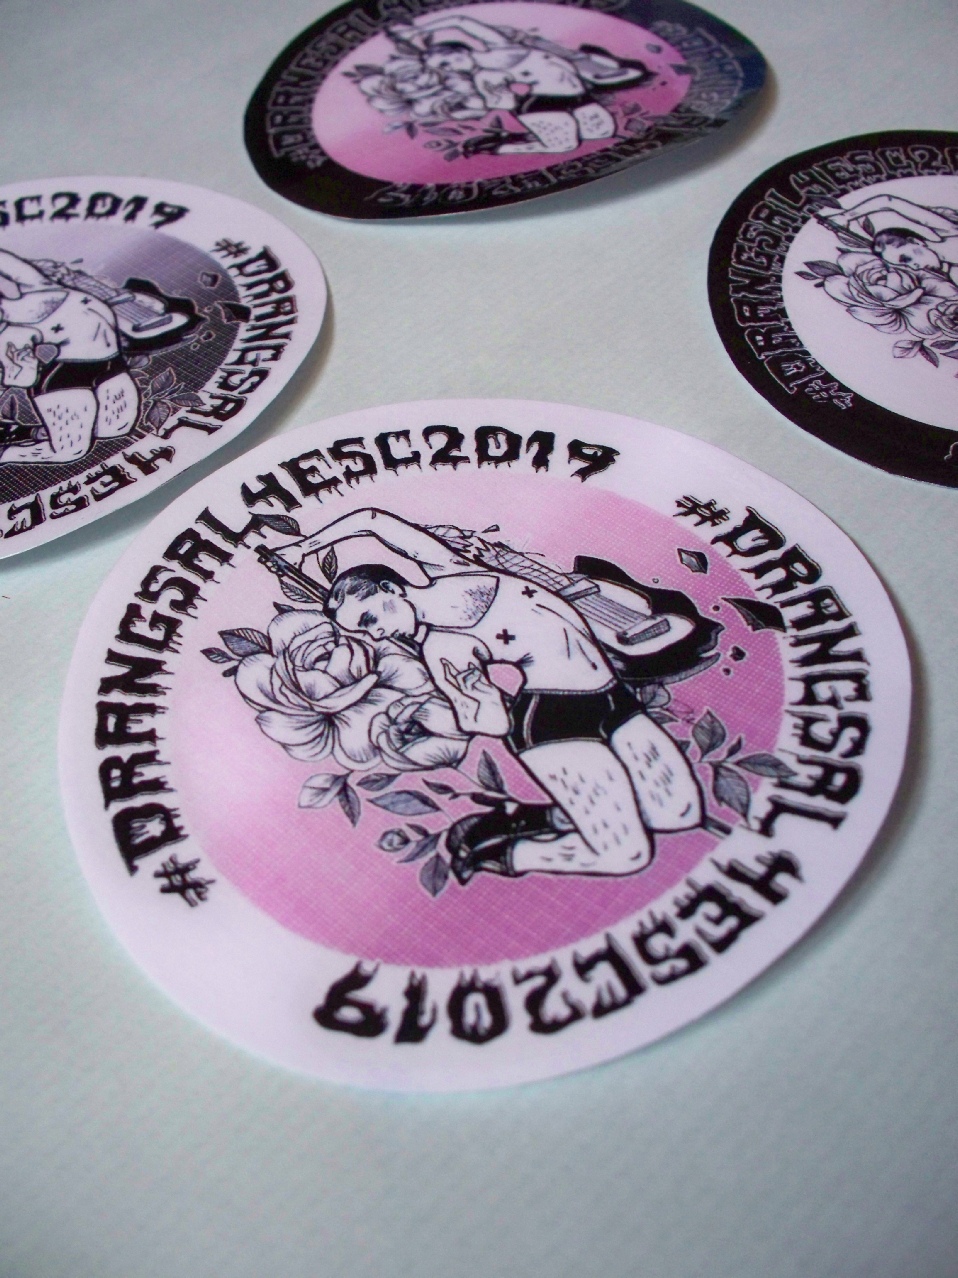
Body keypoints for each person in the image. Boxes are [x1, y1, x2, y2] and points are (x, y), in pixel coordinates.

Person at [281, 508, 705, 885]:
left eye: (369, 618)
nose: (375, 634)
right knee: (626, 855)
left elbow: (373, 520)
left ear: (392, 588)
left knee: (678, 813)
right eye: (363, 631)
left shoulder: (452, 566)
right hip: (553, 722)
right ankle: (505, 853)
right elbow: (491, 722)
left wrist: (305, 546)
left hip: (611, 694)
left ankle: (544, 816)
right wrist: (467, 692)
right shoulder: (442, 649)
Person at [0, 249, 195, 464]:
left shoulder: (37, 285)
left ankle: (35, 432)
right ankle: (6, 452)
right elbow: (23, 378)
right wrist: (20, 358)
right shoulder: (10, 330)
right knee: (69, 451)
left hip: (110, 362)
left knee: (116, 428)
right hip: (66, 377)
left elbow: (9, 262)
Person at [393, 13, 652, 155]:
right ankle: (503, 146)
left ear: (458, 50)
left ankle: (527, 135)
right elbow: (503, 103)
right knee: (565, 146)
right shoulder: (485, 76)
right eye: (441, 69)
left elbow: (461, 21)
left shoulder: (499, 46)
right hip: (543, 104)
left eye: (445, 62)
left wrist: (420, 30)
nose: (448, 69)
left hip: (579, 95)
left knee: (601, 133)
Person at [824, 193, 958, 280]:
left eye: (907, 259)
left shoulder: (950, 231)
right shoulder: (952, 272)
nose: (915, 266)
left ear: (916, 241)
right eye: (907, 265)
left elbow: (888, 202)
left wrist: (846, 216)